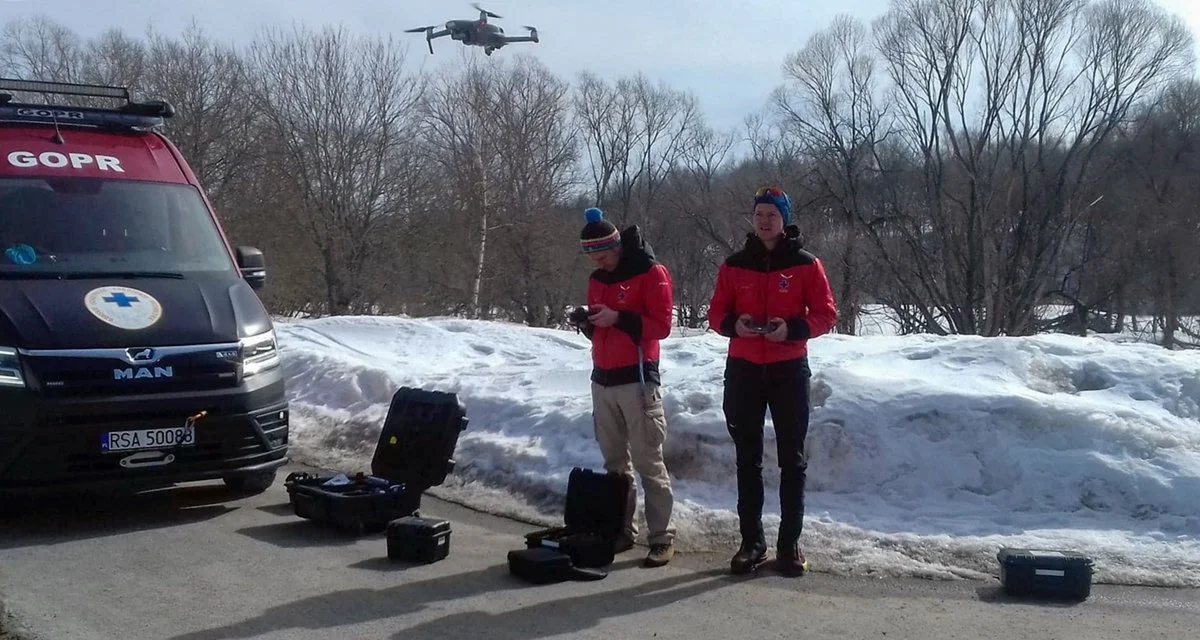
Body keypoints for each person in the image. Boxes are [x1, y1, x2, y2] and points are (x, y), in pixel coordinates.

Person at [706, 185, 838, 576]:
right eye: (760, 214)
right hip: (744, 369)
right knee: (747, 460)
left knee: (792, 461)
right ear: (753, 218)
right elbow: (715, 314)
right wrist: (735, 325)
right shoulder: (733, 265)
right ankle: (752, 543)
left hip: (788, 371)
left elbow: (826, 314)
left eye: (773, 215)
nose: (765, 221)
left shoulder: (806, 264)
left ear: (784, 220)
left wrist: (793, 329)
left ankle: (788, 544)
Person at [572, 206, 677, 568]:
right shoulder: (598, 277)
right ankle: (622, 529)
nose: (600, 263)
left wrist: (618, 317)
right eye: (594, 258)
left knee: (649, 460)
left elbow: (661, 325)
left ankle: (662, 537)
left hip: (637, 378)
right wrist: (588, 321)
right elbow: (602, 325)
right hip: (601, 378)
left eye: (604, 255)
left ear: (617, 246)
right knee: (615, 462)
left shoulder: (651, 273)